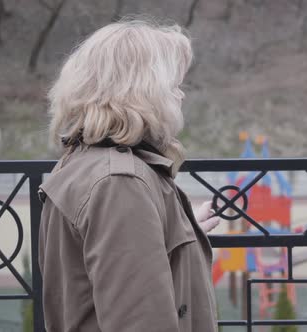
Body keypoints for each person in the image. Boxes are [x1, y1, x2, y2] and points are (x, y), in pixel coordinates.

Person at [37, 20, 220, 332]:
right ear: (142, 92)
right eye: (173, 87)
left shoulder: (81, 166)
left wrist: (182, 234)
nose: (180, 97)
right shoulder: (119, 184)